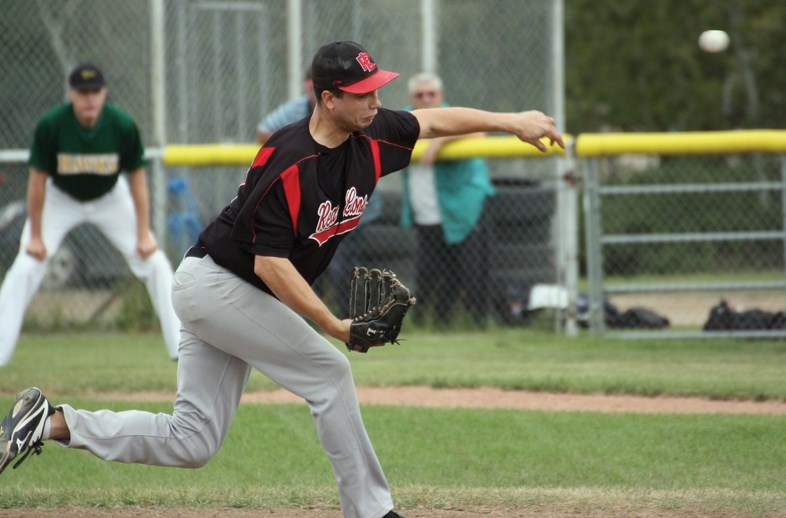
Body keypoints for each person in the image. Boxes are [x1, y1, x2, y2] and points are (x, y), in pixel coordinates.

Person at [0, 42, 563, 518]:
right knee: (330, 372)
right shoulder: (288, 162)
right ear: (328, 98)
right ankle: (373, 511)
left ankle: (51, 423)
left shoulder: (371, 134)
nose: (376, 100)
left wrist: (510, 122)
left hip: (229, 293)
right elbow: (270, 265)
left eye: (376, 88)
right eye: (363, 91)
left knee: (192, 441)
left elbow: (436, 121)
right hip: (219, 286)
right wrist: (334, 326)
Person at [0, 64, 180, 365]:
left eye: (94, 91)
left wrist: (142, 233)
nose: (89, 99)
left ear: (104, 93)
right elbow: (37, 180)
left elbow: (137, 179)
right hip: (61, 198)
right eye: (82, 92)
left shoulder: (121, 124)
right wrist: (34, 237)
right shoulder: (53, 125)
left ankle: (181, 349)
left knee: (155, 262)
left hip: (111, 197)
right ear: (71, 94)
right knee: (27, 265)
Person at [256, 67, 382, 315]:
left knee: (344, 267)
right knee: (309, 268)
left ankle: (350, 317)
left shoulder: (360, 115)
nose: (373, 103)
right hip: (316, 212)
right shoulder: (298, 113)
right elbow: (264, 130)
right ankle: (314, 317)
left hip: (351, 207)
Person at [400, 72, 495, 327]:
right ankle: (428, 323)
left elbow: (479, 131)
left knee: (471, 271)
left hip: (463, 208)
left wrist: (440, 140)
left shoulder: (452, 116)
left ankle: (478, 323)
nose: (427, 99)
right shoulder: (405, 120)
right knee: (429, 273)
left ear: (441, 96)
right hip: (426, 211)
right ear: (412, 98)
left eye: (432, 94)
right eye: (421, 95)